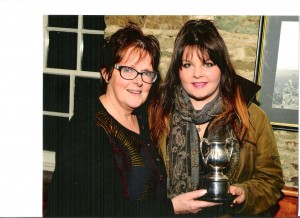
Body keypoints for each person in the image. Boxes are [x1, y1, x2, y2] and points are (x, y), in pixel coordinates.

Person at [45, 21, 219, 217]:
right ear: (106, 73)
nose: (138, 81)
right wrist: (172, 208)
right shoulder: (87, 129)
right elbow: (97, 211)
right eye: (128, 70)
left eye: (146, 73)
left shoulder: (144, 119)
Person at [149, 19, 285, 217]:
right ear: (177, 70)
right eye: (187, 65)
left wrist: (245, 194)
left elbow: (271, 181)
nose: (197, 74)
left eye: (208, 63)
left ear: (221, 67)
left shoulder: (252, 117)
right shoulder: (157, 113)